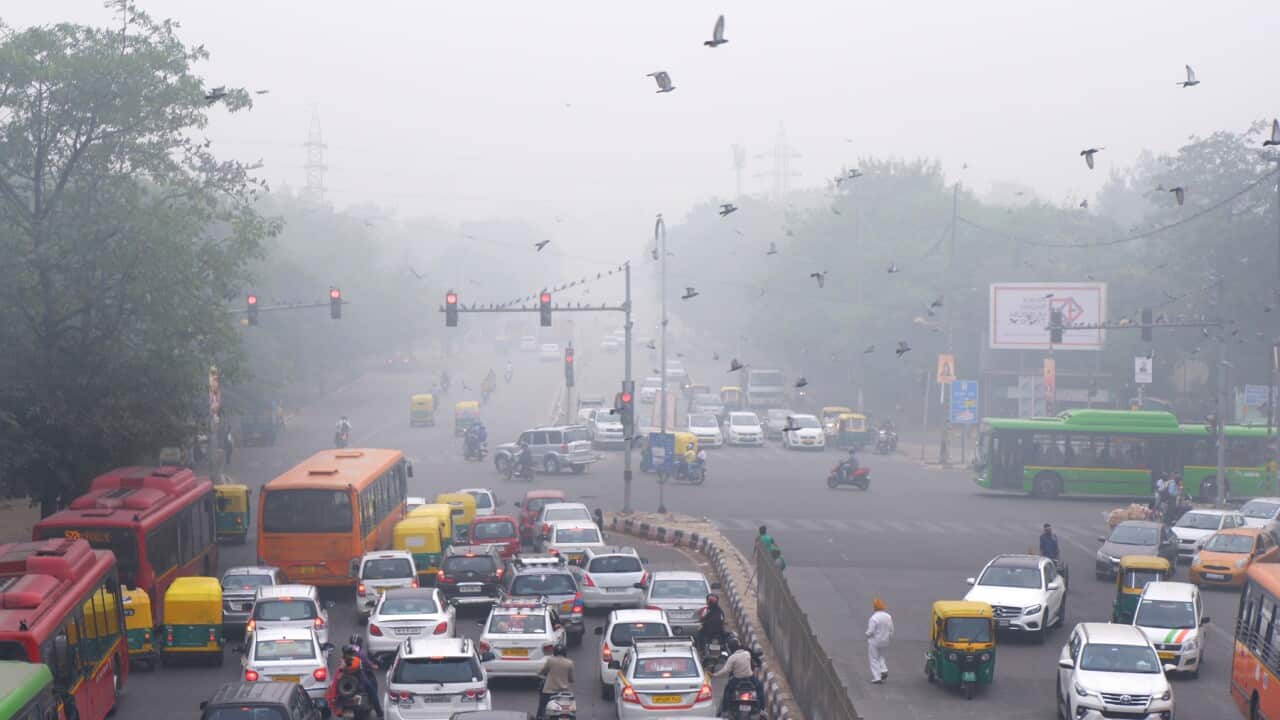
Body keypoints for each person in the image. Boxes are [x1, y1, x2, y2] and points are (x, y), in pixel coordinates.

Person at [713, 635, 764, 714]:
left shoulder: (732, 658)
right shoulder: (747, 654)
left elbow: (726, 670)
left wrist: (715, 675)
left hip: (737, 680)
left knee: (727, 691)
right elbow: (754, 659)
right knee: (760, 688)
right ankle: (762, 710)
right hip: (750, 678)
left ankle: (725, 710)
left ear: (730, 648)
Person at [536, 645, 574, 720]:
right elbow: (571, 679)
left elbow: (543, 671)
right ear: (565, 653)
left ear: (554, 652)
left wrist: (539, 672)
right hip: (563, 693)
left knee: (542, 708)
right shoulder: (570, 663)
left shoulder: (550, 661)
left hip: (548, 692)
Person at [866, 596, 894, 684]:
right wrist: (889, 637)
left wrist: (866, 634)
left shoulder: (874, 618)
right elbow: (891, 629)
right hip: (885, 641)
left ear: (874, 607)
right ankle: (883, 669)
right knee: (881, 656)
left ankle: (877, 677)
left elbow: (871, 631)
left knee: (874, 658)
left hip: (875, 641)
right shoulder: (888, 616)